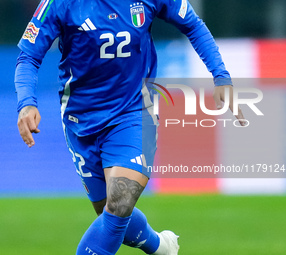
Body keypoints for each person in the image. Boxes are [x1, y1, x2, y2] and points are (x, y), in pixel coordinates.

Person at [15, 0, 245, 254]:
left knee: (121, 200)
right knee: (108, 211)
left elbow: (193, 24)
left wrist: (220, 75)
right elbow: (28, 55)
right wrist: (27, 103)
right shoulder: (61, 3)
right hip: (81, 120)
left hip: (134, 112)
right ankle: (160, 246)